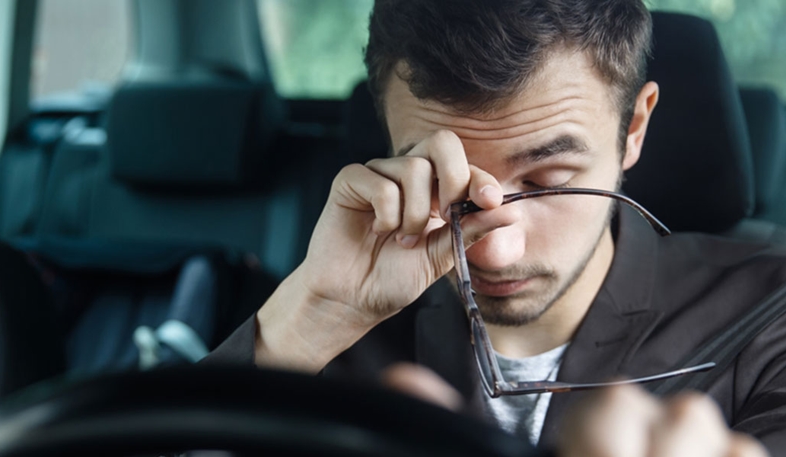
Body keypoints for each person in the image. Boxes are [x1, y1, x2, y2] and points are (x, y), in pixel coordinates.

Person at [205, 0, 786, 454]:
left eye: (549, 181)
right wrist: (309, 322)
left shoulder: (768, 317)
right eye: (446, 185)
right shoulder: (324, 344)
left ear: (632, 129)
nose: (496, 253)